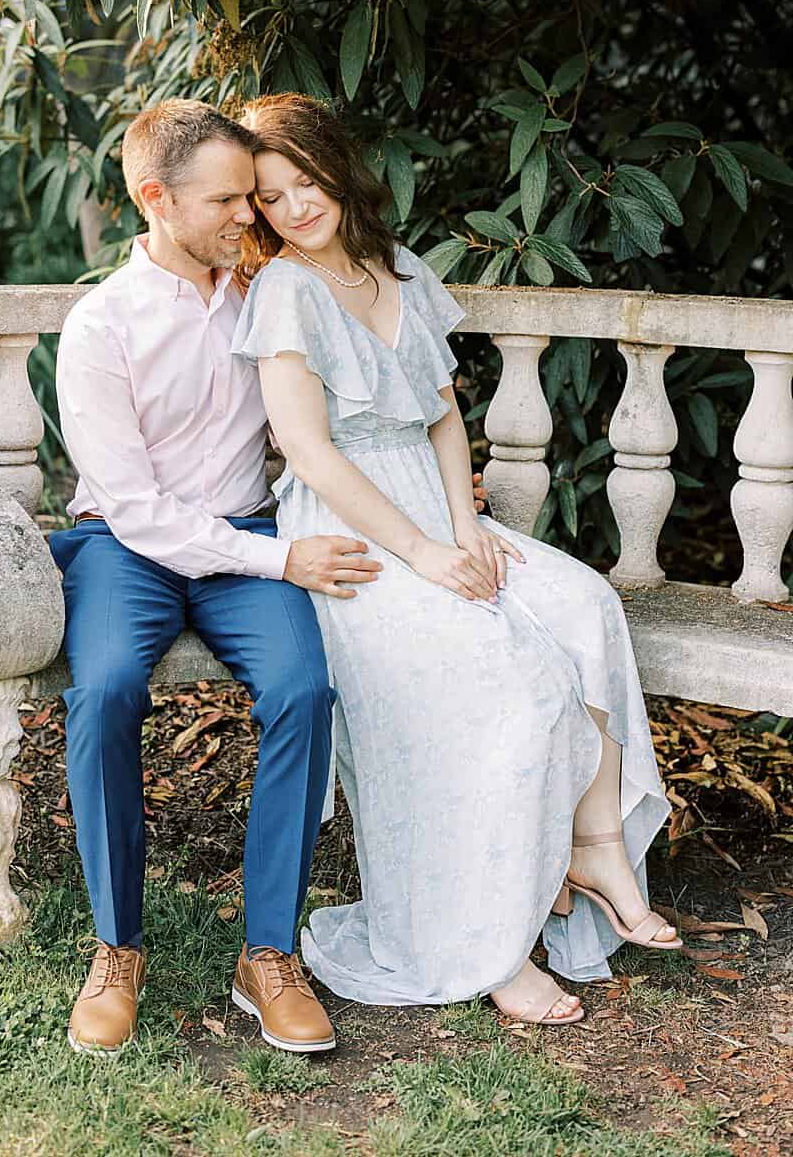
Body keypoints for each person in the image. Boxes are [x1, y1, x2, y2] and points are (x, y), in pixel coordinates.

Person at [231, 92, 676, 1026]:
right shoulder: (284, 290)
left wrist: (465, 522)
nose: (296, 207)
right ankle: (490, 940)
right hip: (353, 531)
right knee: (509, 680)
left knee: (585, 604)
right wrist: (425, 552)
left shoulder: (399, 266)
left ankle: (593, 846)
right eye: (271, 198)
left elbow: (439, 411)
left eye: (304, 181)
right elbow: (310, 452)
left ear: (336, 167)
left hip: (436, 512)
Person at [49, 100, 390, 1057]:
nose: (250, 214)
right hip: (131, 547)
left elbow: (343, 401)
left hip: (245, 532)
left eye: (252, 196)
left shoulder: (269, 294)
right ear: (155, 198)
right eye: (229, 199)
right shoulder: (100, 325)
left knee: (302, 687)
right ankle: (117, 947)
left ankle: (268, 952)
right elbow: (136, 507)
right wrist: (283, 557)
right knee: (106, 688)